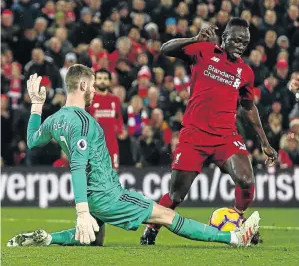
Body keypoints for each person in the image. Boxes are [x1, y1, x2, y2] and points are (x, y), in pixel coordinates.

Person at [7, 66, 259, 247]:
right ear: (82, 85)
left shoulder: (56, 119)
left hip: (94, 198)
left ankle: (49, 238)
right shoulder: (85, 123)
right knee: (167, 216)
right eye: (92, 85)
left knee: (94, 239)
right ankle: (234, 238)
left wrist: (37, 106)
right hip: (107, 196)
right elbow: (76, 165)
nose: (94, 91)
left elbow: (32, 140)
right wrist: (82, 211)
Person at [141, 18, 276, 245]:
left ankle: (237, 221)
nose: (241, 45)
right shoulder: (203, 51)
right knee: (175, 196)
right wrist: (194, 38)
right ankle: (152, 229)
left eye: (245, 42)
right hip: (194, 136)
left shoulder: (245, 72)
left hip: (225, 136)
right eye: (237, 40)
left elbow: (248, 107)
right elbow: (165, 49)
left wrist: (264, 141)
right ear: (224, 38)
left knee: (246, 179)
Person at [86, 68, 124, 170]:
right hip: (95, 144)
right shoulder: (90, 100)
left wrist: (120, 130)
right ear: (95, 81)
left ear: (110, 81)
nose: (102, 81)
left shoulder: (115, 100)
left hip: (112, 143)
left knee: (113, 173)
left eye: (105, 78)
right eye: (99, 78)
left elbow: (119, 118)